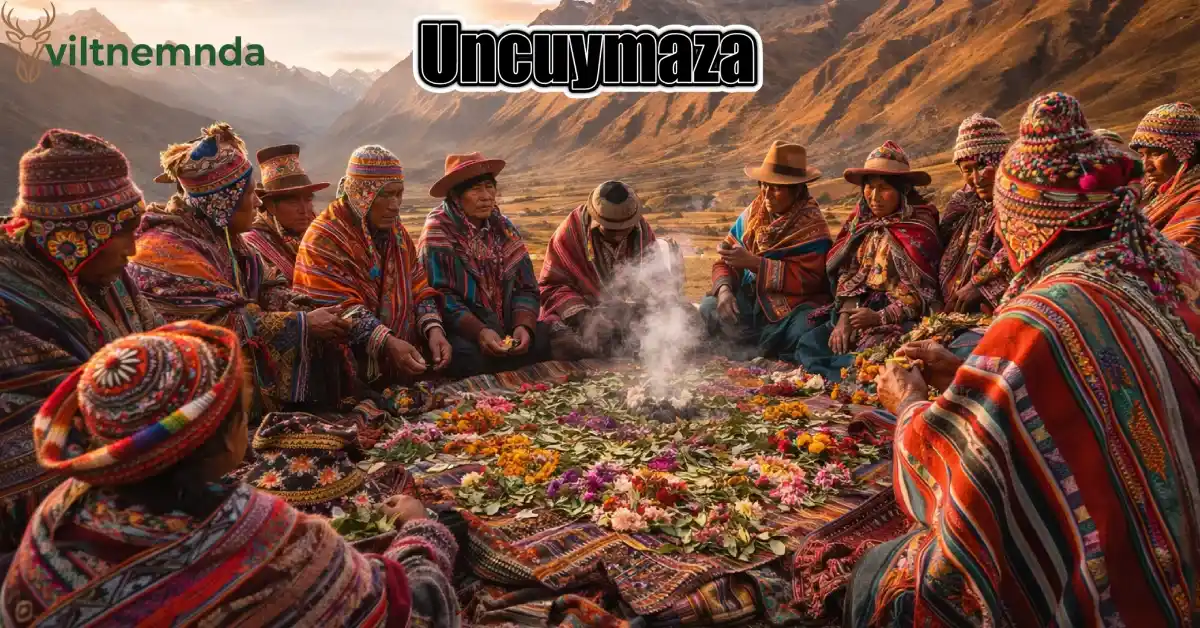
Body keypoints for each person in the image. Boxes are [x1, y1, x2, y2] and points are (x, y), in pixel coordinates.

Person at [853, 92, 1200, 627]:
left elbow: (959, 474)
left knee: (889, 580)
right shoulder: (1167, 264)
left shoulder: (1045, 315)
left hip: (1131, 587)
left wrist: (910, 404)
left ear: (1022, 221)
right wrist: (963, 372)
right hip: (1181, 529)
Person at [1, 321, 460, 626]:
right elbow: (410, 613)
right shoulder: (264, 536)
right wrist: (420, 531)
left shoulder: (55, 518)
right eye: (242, 413)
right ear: (223, 438)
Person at [0, 129, 163, 558]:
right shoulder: (11, 304)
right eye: (122, 232)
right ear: (79, 233)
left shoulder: (107, 279)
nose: (133, 249)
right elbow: (34, 446)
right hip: (39, 537)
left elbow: (161, 344)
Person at [127, 123, 349, 420]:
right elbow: (219, 326)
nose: (258, 201)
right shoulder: (167, 249)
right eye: (249, 193)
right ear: (224, 200)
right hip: (184, 395)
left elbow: (269, 285)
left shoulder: (227, 239)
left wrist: (312, 312)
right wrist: (302, 323)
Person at [294, 145, 452, 384]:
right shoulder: (324, 237)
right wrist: (387, 342)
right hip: (345, 356)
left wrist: (434, 329)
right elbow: (339, 309)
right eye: (385, 195)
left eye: (398, 194)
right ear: (362, 194)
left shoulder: (396, 233)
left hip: (399, 347)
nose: (395, 205)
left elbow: (418, 283)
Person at [699, 141, 836, 370]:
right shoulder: (754, 213)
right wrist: (724, 290)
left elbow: (813, 279)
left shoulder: (812, 226)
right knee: (709, 307)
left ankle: (763, 352)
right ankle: (752, 348)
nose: (767, 194)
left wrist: (756, 264)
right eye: (763, 184)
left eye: (776, 188)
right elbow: (726, 259)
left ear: (797, 190)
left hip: (792, 308)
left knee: (806, 327)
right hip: (753, 300)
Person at [419, 151, 552, 377]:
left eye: (489, 187)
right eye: (475, 189)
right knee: (465, 358)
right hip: (464, 330)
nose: (486, 196)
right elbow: (441, 295)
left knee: (547, 337)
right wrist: (479, 331)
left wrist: (523, 324)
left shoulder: (504, 228)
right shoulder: (438, 231)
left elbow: (526, 285)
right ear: (456, 196)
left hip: (506, 325)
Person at [538, 180, 684, 358]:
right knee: (566, 344)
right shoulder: (571, 232)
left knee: (682, 322)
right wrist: (585, 318)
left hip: (625, 312)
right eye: (611, 229)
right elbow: (552, 286)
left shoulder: (641, 229)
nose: (618, 235)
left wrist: (665, 305)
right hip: (580, 314)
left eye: (624, 229)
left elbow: (657, 278)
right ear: (594, 219)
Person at [822, 141, 941, 357]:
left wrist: (880, 317)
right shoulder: (861, 225)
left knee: (870, 354)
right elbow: (849, 274)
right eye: (869, 186)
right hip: (858, 309)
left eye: (884, 188)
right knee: (812, 342)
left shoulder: (919, 228)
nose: (874, 197)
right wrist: (845, 317)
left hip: (901, 317)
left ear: (903, 191)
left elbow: (925, 294)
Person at [938, 114, 1013, 314]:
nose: (977, 178)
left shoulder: (1021, 205)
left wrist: (980, 287)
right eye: (967, 170)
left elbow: (1022, 258)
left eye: (982, 166)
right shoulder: (961, 206)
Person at [243, 144, 330, 282]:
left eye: (308, 200)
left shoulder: (319, 238)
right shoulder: (252, 246)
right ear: (271, 206)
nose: (304, 210)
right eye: (293, 202)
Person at [1129, 102, 1200, 256]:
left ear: (1185, 153)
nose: (1146, 166)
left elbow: (1179, 259)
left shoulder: (1196, 200)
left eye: (1155, 153)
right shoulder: (1153, 192)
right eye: (1142, 155)